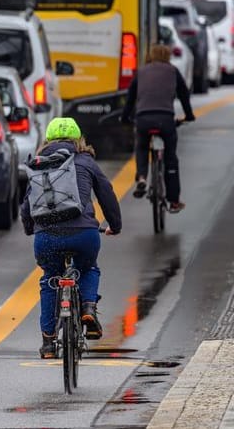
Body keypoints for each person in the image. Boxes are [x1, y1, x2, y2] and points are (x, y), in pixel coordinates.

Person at [21, 117, 122, 359]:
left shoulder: (39, 164)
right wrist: (115, 225)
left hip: (47, 237)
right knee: (88, 268)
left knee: (50, 278)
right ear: (78, 139)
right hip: (84, 234)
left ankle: (48, 343)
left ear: (48, 139)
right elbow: (106, 194)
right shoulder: (86, 161)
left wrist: (30, 229)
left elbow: (27, 206)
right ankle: (88, 308)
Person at [121, 43, 195, 213]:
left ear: (150, 56)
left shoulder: (141, 72)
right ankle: (174, 201)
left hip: (143, 119)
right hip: (166, 119)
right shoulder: (173, 71)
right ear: (168, 57)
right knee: (170, 158)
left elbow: (130, 98)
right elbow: (184, 95)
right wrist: (189, 115)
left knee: (141, 147)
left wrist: (125, 118)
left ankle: (141, 177)